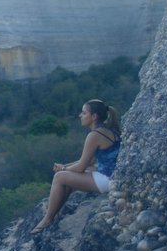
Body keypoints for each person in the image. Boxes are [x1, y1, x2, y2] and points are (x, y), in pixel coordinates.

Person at [31, 99, 121, 234]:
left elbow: (80, 167)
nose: (80, 115)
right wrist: (65, 166)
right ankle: (55, 212)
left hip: (108, 180)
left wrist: (62, 170)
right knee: (68, 176)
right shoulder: (108, 129)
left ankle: (48, 218)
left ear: (94, 117)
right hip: (113, 175)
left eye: (84, 113)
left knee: (60, 177)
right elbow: (87, 163)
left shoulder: (94, 135)